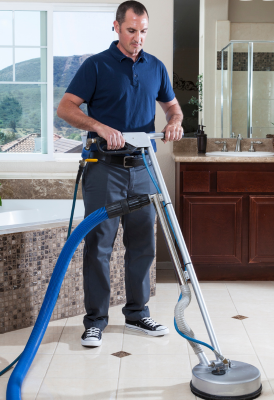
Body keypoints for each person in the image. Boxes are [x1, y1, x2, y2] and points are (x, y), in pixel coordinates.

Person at [57, 0, 183, 347]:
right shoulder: (96, 66)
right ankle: (96, 321)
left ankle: (138, 313)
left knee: (142, 243)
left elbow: (172, 106)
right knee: (98, 244)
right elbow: (65, 107)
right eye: (131, 30)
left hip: (143, 167)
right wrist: (99, 126)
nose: (137, 38)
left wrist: (174, 121)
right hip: (104, 170)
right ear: (116, 27)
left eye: (143, 31)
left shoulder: (155, 67)